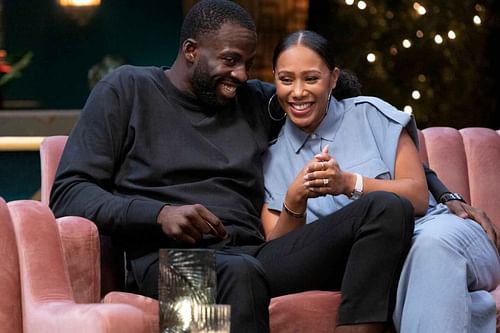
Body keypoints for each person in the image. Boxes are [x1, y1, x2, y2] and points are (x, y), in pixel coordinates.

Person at [50, 1, 416, 332]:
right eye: (229, 60)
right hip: (167, 264)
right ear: (191, 51)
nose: (241, 74)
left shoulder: (254, 100)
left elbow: (342, 108)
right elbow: (68, 193)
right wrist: (159, 214)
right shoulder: (127, 90)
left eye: (247, 62)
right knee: (238, 276)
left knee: (387, 208)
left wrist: (437, 186)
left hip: (254, 255)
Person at [261, 30, 500, 332]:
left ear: (333, 78)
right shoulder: (271, 158)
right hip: (377, 267)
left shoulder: (371, 114)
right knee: (421, 281)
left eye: (311, 79)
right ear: (273, 78)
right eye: (286, 79)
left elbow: (416, 196)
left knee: (430, 250)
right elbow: (280, 257)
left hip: (438, 232)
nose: (297, 92)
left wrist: (349, 183)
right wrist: (294, 200)